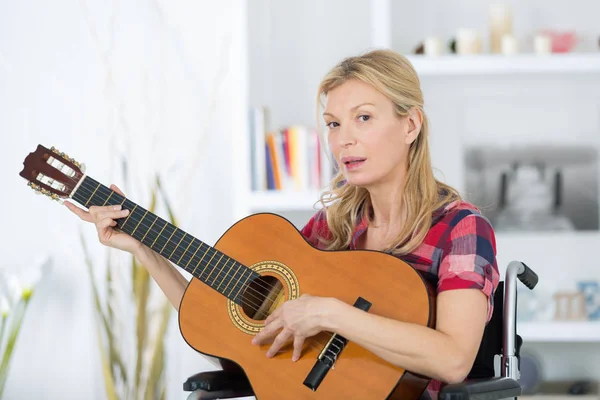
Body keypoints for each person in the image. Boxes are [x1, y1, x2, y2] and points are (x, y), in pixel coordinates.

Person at [65, 49, 500, 400]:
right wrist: (146, 249)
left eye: (363, 118)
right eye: (332, 124)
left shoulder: (460, 228)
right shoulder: (332, 228)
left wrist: (329, 313)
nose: (343, 138)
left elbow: (452, 360)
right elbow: (223, 326)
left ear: (410, 124)